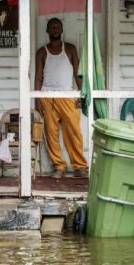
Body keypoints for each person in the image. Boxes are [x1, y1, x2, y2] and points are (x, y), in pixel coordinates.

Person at [34, 18, 89, 179]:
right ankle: (58, 166)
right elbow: (38, 77)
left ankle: (80, 166)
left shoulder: (70, 49)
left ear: (62, 29)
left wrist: (81, 93)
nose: (55, 29)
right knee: (51, 133)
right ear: (47, 30)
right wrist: (37, 99)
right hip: (47, 96)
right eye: (52, 27)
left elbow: (77, 73)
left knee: (73, 132)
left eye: (57, 27)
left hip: (67, 96)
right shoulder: (42, 52)